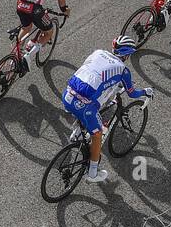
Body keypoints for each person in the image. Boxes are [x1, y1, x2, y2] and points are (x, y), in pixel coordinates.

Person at [60, 37, 152, 184]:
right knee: (97, 134)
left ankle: (77, 133)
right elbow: (132, 93)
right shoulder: (123, 70)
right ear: (127, 54)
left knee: (93, 105)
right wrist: (145, 92)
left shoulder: (98, 52)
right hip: (84, 105)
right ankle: (92, 173)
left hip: (67, 95)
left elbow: (93, 72)